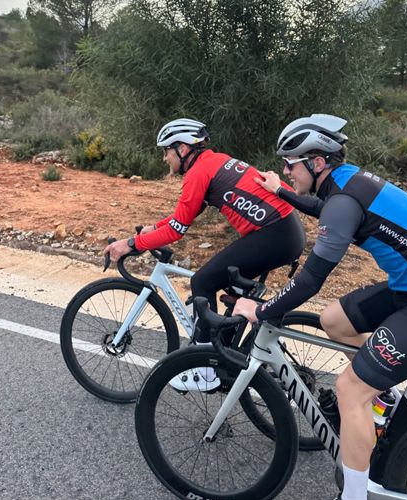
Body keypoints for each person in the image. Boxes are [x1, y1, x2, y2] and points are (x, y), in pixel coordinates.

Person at [233, 114, 407, 500]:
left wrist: (261, 310)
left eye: (290, 164)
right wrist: (279, 190)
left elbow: (310, 280)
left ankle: (353, 496)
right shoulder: (347, 181)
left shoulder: (343, 198)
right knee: (333, 320)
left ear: (317, 162)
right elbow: (325, 208)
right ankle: (381, 394)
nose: (286, 170)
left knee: (349, 390)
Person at [104, 118, 305, 390]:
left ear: (182, 149)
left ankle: (205, 371)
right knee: (230, 289)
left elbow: (176, 230)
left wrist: (131, 244)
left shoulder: (198, 173)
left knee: (203, 281)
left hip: (275, 235)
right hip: (284, 232)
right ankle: (230, 358)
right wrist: (152, 229)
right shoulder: (214, 162)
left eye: (166, 151)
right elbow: (183, 216)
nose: (164, 158)